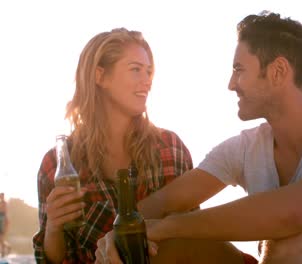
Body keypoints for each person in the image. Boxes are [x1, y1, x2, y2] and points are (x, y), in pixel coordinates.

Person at [96, 11, 302, 264]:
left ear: (277, 71)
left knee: (294, 241)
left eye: (239, 69)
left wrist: (168, 226)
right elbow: (164, 202)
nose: (231, 84)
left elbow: (296, 213)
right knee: (168, 245)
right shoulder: (246, 147)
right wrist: (120, 236)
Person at [32, 28, 255, 263]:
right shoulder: (57, 163)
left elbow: (191, 239)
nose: (147, 80)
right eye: (135, 69)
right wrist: (54, 228)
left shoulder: (170, 149)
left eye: (149, 71)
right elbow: (54, 260)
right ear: (100, 76)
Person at [0, 193, 8, 257]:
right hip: (1, 218)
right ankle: (7, 247)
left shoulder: (4, 203)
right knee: (1, 238)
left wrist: (6, 221)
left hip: (2, 219)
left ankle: (3, 252)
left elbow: (5, 212)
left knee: (1, 237)